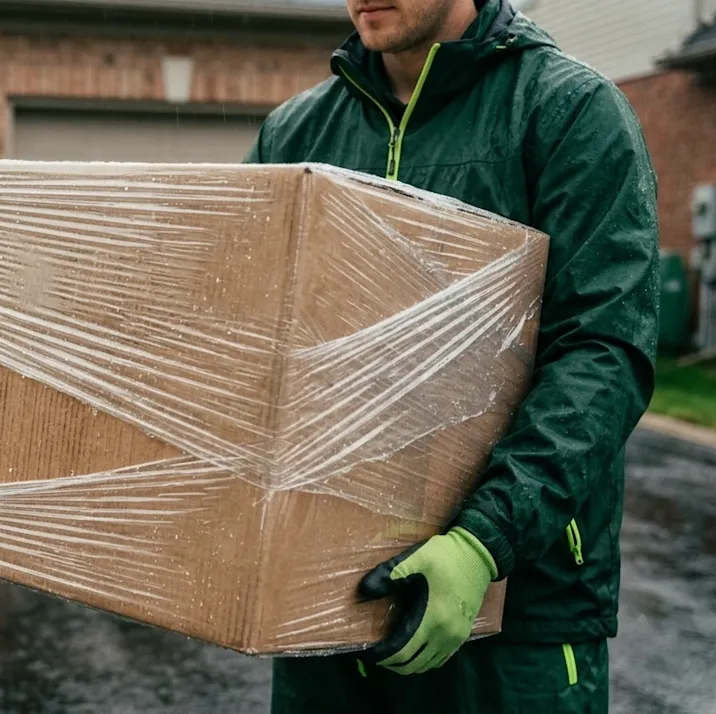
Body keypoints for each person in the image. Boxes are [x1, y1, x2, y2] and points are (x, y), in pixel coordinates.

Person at [244, 0, 659, 712]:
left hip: (516, 613)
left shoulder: (567, 112)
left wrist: (485, 540)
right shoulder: (296, 132)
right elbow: (244, 337)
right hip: (322, 603)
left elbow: (603, 349)